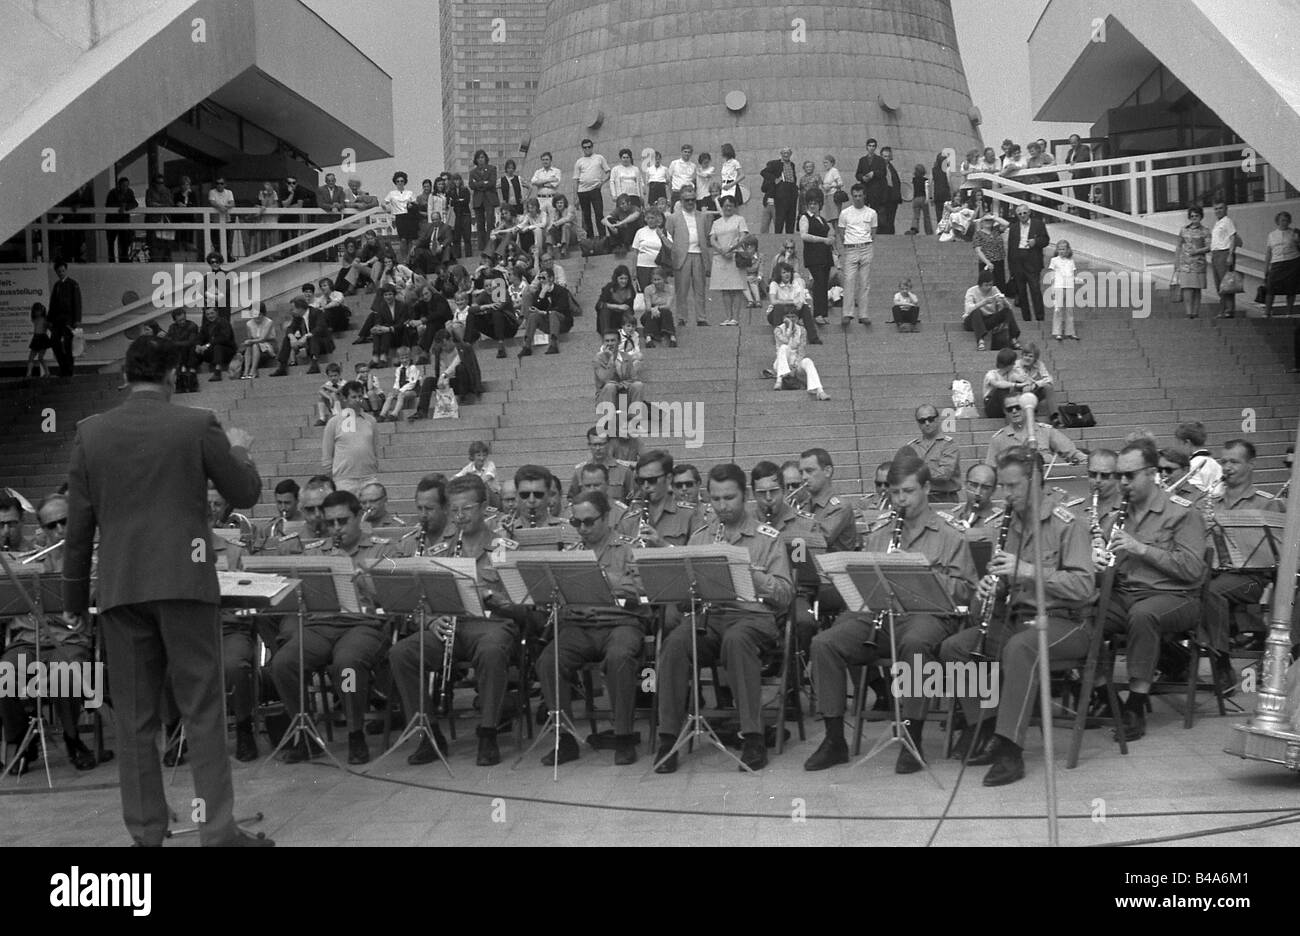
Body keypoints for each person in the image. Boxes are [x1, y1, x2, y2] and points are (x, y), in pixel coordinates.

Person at [62, 335, 269, 846]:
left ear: (125, 376)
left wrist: (73, 603)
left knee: (133, 720)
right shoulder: (196, 424)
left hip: (121, 588)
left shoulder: (90, 434)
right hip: (184, 582)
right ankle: (218, 831)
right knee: (201, 710)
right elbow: (243, 492)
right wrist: (240, 447)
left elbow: (78, 530)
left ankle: (147, 833)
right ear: (174, 373)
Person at [803, 455, 975, 772]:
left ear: (926, 489)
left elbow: (967, 590)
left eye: (907, 491)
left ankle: (913, 737)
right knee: (823, 644)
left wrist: (917, 572)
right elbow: (864, 583)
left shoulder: (949, 534)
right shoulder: (882, 530)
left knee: (915, 645)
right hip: (879, 616)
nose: (900, 500)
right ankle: (834, 740)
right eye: (894, 492)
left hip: (928, 615)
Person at [939, 447, 1096, 784]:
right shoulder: (1003, 525)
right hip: (1016, 619)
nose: (1006, 495)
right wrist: (991, 588)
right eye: (1003, 488)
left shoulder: (1067, 524)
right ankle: (985, 726)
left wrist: (1027, 570)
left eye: (1013, 487)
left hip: (1065, 621)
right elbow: (1003, 580)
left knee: (1020, 648)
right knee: (956, 647)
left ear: (1036, 480)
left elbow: (1084, 586)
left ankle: (1011, 750)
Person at [653, 464, 793, 773]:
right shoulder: (702, 536)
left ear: (745, 497)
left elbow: (784, 596)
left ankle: (754, 737)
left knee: (737, 640)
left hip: (752, 618)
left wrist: (753, 575)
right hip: (710, 616)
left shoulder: (767, 538)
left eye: (729, 498)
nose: (722, 506)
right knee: (676, 643)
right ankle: (668, 739)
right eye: (715, 499)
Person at [1101, 442, 1208, 741]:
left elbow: (1191, 570)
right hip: (1127, 594)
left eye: (1129, 476)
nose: (1122, 483)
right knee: (1085, 612)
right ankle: (1102, 694)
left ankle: (1135, 704)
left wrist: (1141, 549)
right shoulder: (1116, 514)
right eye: (1119, 476)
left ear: (1152, 474)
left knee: (1143, 615)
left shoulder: (1182, 513)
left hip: (1177, 597)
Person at [535, 490, 647, 766]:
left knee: (620, 658)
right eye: (576, 523)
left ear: (606, 518)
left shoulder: (629, 547)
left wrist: (602, 579)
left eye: (588, 522)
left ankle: (623, 735)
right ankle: (566, 739)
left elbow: (643, 588)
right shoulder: (572, 553)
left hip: (621, 623)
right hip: (580, 624)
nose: (582, 529)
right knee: (549, 660)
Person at [2, 494, 98, 773]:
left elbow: (86, 602)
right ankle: (21, 743)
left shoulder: (90, 560)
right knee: (4, 672)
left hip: (68, 641)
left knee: (63, 672)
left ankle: (73, 740)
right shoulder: (29, 560)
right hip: (28, 639)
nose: (59, 531)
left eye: (65, 522)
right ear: (42, 529)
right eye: (51, 526)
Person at [986, 392, 1085, 467]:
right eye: (1009, 409)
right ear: (1004, 411)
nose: (1014, 411)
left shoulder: (1045, 431)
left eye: (1018, 407)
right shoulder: (998, 439)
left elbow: (1072, 453)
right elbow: (991, 469)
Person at [321, 381, 379, 494]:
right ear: (345, 398)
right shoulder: (334, 422)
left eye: (360, 396)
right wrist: (331, 475)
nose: (358, 400)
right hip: (344, 480)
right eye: (353, 397)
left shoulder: (371, 421)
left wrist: (375, 466)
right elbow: (327, 453)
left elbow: (375, 446)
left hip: (369, 477)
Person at [667, 185, 713, 327]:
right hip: (682, 256)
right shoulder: (673, 218)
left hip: (699, 254)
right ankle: (681, 317)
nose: (690, 203)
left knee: (700, 289)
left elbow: (705, 235)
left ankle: (701, 318)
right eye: (687, 200)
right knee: (681, 289)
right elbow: (669, 237)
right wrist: (673, 252)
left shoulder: (702, 216)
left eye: (693, 200)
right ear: (681, 200)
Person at [836, 183, 877, 325]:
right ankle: (847, 313)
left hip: (866, 247)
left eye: (860, 195)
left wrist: (865, 242)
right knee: (849, 280)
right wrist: (849, 243)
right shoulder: (845, 213)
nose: (858, 198)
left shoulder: (871, 213)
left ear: (864, 195)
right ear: (852, 196)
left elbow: (873, 232)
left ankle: (863, 314)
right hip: (851, 248)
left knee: (865, 282)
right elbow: (841, 231)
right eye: (855, 196)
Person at [770, 305, 830, 400]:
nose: (791, 319)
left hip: (795, 361)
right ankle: (779, 380)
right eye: (788, 317)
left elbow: (802, 349)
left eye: (793, 317)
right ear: (784, 318)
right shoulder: (778, 330)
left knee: (808, 361)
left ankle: (819, 391)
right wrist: (789, 327)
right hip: (781, 361)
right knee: (784, 347)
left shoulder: (802, 330)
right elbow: (785, 341)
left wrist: (796, 364)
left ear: (797, 318)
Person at [709, 195, 749, 326]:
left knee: (736, 288)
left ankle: (736, 318)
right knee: (724, 288)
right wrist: (721, 250)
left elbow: (743, 236)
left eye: (730, 205)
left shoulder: (740, 219)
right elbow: (712, 239)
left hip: (735, 256)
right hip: (721, 257)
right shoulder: (716, 222)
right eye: (725, 205)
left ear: (734, 207)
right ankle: (728, 316)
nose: (728, 208)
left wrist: (732, 248)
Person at [908, 404, 961, 502]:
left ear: (937, 419)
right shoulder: (912, 447)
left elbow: (944, 474)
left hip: (944, 498)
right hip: (919, 499)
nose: (927, 423)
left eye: (930, 419)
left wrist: (917, 473)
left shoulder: (949, 444)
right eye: (922, 421)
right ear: (918, 423)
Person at [1006, 205, 1050, 322]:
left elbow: (1046, 240)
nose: (1022, 216)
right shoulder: (1014, 227)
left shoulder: (1038, 224)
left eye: (1024, 213)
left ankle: (1040, 318)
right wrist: (1011, 268)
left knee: (1035, 290)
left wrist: (1035, 242)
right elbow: (1010, 248)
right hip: (1017, 263)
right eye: (1019, 214)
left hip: (1032, 262)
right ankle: (1027, 319)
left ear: (1029, 212)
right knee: (1021, 292)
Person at [798, 190, 836, 325]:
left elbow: (830, 232)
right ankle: (817, 313)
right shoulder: (804, 218)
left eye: (815, 203)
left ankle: (823, 313)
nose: (813, 206)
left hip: (825, 255)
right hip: (813, 256)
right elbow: (804, 235)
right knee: (819, 283)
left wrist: (831, 237)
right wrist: (823, 240)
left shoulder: (822, 219)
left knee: (824, 284)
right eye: (810, 203)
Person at [963, 269, 1020, 351]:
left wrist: (1003, 301)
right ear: (980, 284)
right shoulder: (972, 291)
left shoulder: (994, 290)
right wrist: (983, 303)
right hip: (972, 321)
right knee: (977, 311)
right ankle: (980, 340)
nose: (989, 287)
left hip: (988, 320)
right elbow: (968, 310)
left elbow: (1009, 307)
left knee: (1007, 311)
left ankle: (1013, 338)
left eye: (990, 285)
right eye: (986, 285)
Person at [1173, 205, 1210, 319]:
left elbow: (1209, 247)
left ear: (1201, 216)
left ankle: (1195, 313)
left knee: (1196, 289)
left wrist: (1197, 251)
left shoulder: (1205, 231)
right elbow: (1178, 246)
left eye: (1197, 215)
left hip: (1198, 264)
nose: (1194, 218)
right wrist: (1176, 262)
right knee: (1187, 288)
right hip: (1185, 264)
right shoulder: (1183, 230)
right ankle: (1189, 313)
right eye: (1192, 216)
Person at [47, 260, 82, 378]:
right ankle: (63, 367)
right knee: (55, 343)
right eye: (59, 271)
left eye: (63, 270)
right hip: (57, 320)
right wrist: (49, 320)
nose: (61, 273)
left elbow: (77, 303)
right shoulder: (56, 285)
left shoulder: (73, 284)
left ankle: (69, 371)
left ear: (66, 270)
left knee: (68, 346)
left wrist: (77, 320)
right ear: (56, 272)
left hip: (69, 320)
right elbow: (52, 304)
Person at [1208, 200, 1242, 319]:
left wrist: (1230, 254)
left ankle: (1229, 310)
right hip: (1216, 254)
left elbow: (1233, 238)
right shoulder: (1217, 223)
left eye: (1220, 208)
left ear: (1226, 209)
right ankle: (1222, 309)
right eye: (1216, 208)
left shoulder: (1227, 221)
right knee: (1219, 285)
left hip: (1224, 253)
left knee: (1227, 283)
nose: (1218, 211)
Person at [1263, 210, 1300, 317]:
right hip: (1277, 263)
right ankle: (1267, 312)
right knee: (1271, 286)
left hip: (1292, 262)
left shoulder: (1294, 232)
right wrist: (1266, 267)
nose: (1285, 222)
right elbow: (1269, 252)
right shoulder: (1271, 235)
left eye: (1287, 220)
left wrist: (1298, 240)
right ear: (1278, 221)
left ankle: (1289, 312)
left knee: (1291, 288)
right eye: (1282, 220)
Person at [1173, 420, 1223, 495]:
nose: (1178, 447)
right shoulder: (1215, 464)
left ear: (1187, 442)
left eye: (1179, 443)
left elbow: (1192, 495)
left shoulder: (1191, 466)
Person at [574, 139, 611, 240]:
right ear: (582, 148)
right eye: (585, 147)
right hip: (582, 192)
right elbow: (576, 180)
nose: (587, 149)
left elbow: (608, 172)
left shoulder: (599, 158)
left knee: (599, 214)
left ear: (592, 147)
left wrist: (602, 182)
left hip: (595, 190)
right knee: (586, 217)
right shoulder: (579, 161)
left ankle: (603, 237)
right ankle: (590, 239)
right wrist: (576, 197)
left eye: (589, 147)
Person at [468, 151, 499, 252]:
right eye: (479, 158)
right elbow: (471, 185)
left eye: (482, 157)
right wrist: (483, 183)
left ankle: (490, 245)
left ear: (485, 158)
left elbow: (492, 183)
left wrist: (479, 184)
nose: (481, 159)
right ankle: (482, 247)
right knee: (480, 224)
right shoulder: (472, 172)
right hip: (478, 200)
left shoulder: (492, 168)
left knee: (490, 222)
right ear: (476, 160)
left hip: (489, 198)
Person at [972, 214, 1010, 295]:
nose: (988, 222)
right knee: (988, 287)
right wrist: (987, 262)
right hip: (986, 264)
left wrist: (993, 217)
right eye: (986, 220)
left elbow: (1006, 224)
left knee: (1000, 287)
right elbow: (978, 250)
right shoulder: (978, 234)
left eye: (990, 220)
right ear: (982, 222)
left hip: (999, 261)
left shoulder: (996, 230)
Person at [238, 302, 278, 379]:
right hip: (254, 345)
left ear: (263, 313)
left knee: (255, 345)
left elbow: (263, 338)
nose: (257, 317)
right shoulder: (249, 324)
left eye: (259, 314)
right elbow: (250, 338)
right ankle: (246, 371)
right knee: (250, 346)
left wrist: (251, 342)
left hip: (269, 344)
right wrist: (248, 342)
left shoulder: (268, 322)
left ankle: (253, 371)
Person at [854, 138, 888, 216]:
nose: (871, 148)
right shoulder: (862, 160)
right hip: (865, 189)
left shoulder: (880, 160)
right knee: (863, 212)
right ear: (867, 147)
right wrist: (862, 177)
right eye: (870, 146)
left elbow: (883, 173)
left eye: (873, 146)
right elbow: (857, 174)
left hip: (876, 191)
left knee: (874, 212)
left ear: (875, 147)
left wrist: (874, 173)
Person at [528, 151, 563, 217]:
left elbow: (555, 184)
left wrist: (540, 183)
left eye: (547, 159)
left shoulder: (557, 171)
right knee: (541, 218)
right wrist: (549, 180)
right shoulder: (538, 172)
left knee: (552, 218)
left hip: (552, 198)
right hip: (540, 199)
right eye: (543, 160)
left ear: (551, 160)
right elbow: (533, 182)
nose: (545, 161)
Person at [877, 146, 903, 235]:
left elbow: (896, 182)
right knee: (882, 220)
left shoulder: (891, 168)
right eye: (884, 156)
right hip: (882, 197)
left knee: (890, 219)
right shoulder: (877, 168)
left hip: (892, 197)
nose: (886, 158)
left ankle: (890, 237)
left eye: (888, 156)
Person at [1065, 134, 1093, 208]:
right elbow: (1067, 161)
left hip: (1084, 176)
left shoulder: (1084, 148)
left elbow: (1084, 158)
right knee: (1078, 199)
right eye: (1071, 142)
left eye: (1074, 142)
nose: (1073, 144)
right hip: (1075, 177)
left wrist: (1075, 163)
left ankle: (1085, 218)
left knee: (1083, 199)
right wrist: (1070, 166)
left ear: (1079, 141)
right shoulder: (1070, 151)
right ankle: (1081, 217)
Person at [666, 143, 697, 208]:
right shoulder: (674, 163)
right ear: (681, 152)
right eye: (685, 152)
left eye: (689, 152)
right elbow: (669, 179)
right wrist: (671, 193)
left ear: (691, 154)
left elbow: (694, 180)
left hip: (688, 194)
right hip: (676, 192)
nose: (687, 154)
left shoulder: (693, 166)